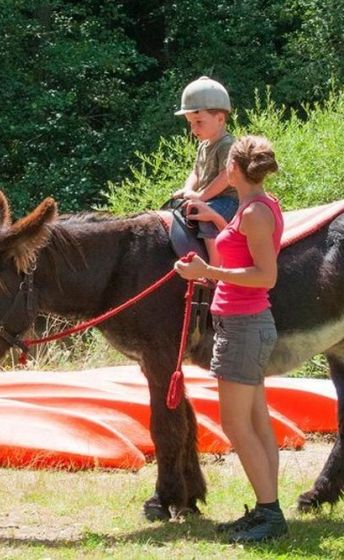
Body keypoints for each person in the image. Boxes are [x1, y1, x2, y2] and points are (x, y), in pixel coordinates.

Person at [174, 135, 286, 543]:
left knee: (237, 425)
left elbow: (266, 276)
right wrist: (216, 223)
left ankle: (270, 516)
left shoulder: (254, 212)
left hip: (244, 326)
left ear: (234, 169)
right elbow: (242, 251)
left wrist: (209, 272)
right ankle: (266, 510)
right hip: (245, 324)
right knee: (256, 421)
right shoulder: (257, 205)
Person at [172, 76, 237, 266]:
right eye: (190, 123)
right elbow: (196, 172)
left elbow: (226, 176)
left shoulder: (227, 144)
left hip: (228, 200)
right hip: (209, 197)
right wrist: (187, 190)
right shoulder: (203, 145)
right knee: (178, 208)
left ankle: (215, 268)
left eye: (199, 122)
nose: (193, 129)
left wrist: (201, 196)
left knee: (206, 218)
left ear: (220, 119)